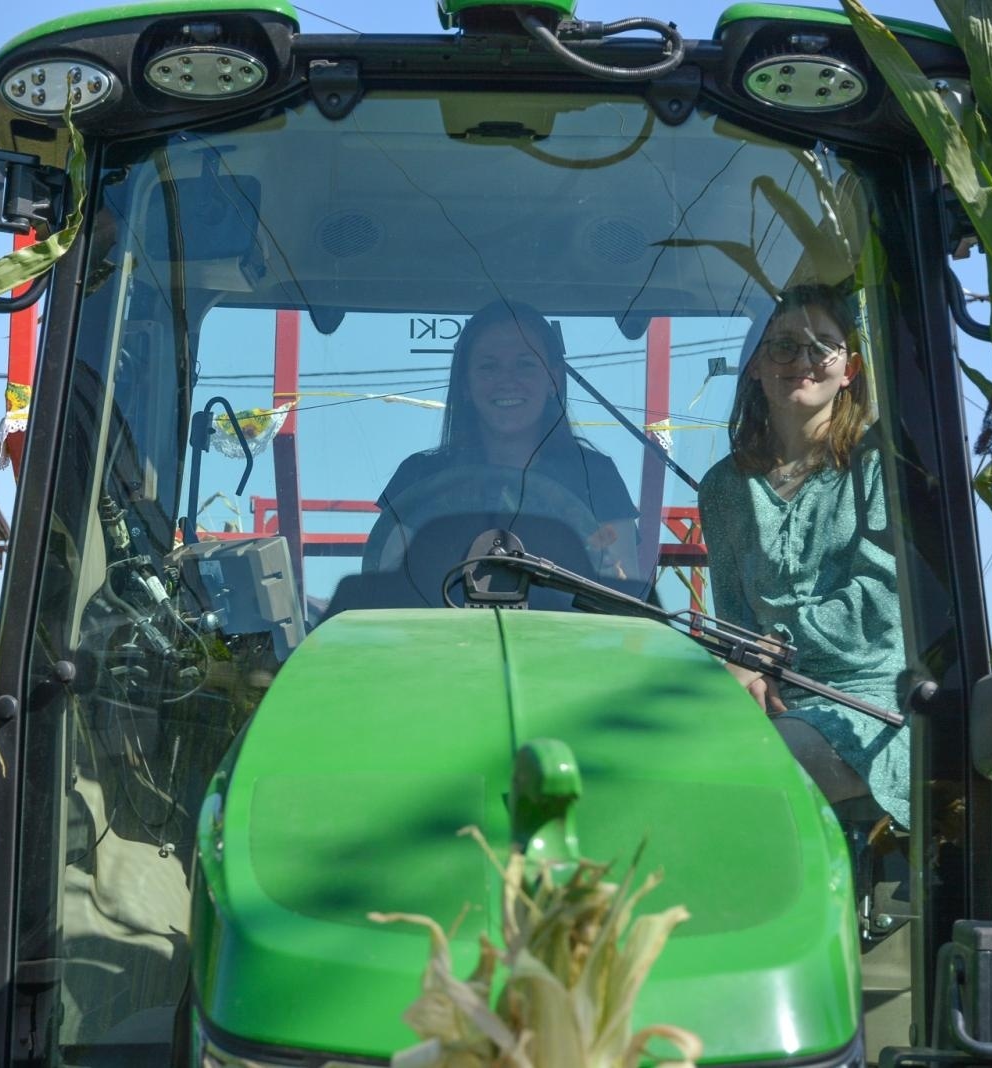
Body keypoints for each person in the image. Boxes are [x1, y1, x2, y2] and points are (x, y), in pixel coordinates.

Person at [697, 283, 910, 826]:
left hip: (867, 701)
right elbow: (735, 619)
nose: (804, 362)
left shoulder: (876, 465)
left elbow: (883, 601)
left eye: (823, 346)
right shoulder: (723, 487)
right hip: (775, 698)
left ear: (851, 368)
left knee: (743, 769)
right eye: (784, 346)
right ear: (754, 365)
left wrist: (776, 647)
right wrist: (751, 667)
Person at [371, 300, 640, 584]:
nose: (507, 381)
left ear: (554, 380)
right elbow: (383, 584)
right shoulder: (417, 477)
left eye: (524, 365)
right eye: (489, 367)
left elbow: (626, 592)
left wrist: (610, 574)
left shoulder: (596, 476)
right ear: (465, 384)